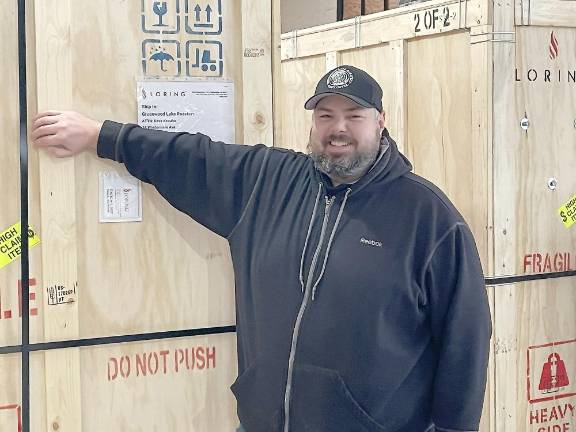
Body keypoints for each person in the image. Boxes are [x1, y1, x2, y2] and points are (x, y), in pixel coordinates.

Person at [32, 65, 491, 432]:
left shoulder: (427, 217)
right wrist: (100, 136)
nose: (339, 129)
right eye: (325, 115)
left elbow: (464, 339)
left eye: (354, 115)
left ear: (381, 122)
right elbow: (190, 156)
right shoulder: (269, 181)